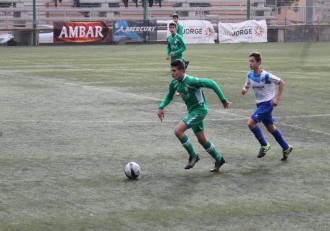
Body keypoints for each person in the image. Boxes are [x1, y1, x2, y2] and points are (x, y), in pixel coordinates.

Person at [157, 59, 231, 172]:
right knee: (202, 140)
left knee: (178, 131)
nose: (172, 73)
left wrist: (223, 100)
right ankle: (219, 159)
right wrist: (161, 107)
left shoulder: (191, 81)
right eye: (171, 70)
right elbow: (169, 96)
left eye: (174, 71)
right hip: (192, 112)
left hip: (200, 110)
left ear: (182, 70)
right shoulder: (174, 83)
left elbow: (212, 83)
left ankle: (193, 156)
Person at [241, 52, 293, 161]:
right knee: (271, 128)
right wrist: (245, 89)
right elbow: (247, 85)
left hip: (267, 104)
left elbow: (281, 82)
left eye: (252, 61)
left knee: (250, 123)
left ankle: (264, 145)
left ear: (259, 62)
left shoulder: (266, 75)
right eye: (249, 61)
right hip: (259, 104)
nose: (250, 63)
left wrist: (277, 98)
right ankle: (286, 147)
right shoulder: (249, 74)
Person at [166, 21, 189, 96]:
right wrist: (167, 54)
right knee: (175, 75)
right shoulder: (168, 38)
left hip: (179, 59)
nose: (172, 29)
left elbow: (184, 47)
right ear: (169, 29)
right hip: (173, 60)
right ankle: (178, 89)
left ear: (176, 28)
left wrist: (175, 52)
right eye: (170, 28)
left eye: (173, 27)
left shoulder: (179, 37)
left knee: (180, 75)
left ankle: (179, 89)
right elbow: (169, 47)